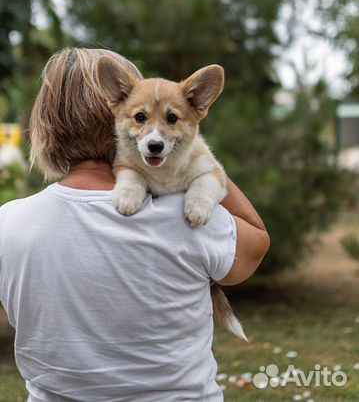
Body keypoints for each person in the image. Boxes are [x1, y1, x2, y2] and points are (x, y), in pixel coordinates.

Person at [0, 48, 270, 402]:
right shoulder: (187, 218)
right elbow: (256, 244)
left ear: (44, 126)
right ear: (114, 115)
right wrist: (196, 159)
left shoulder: (8, 223)